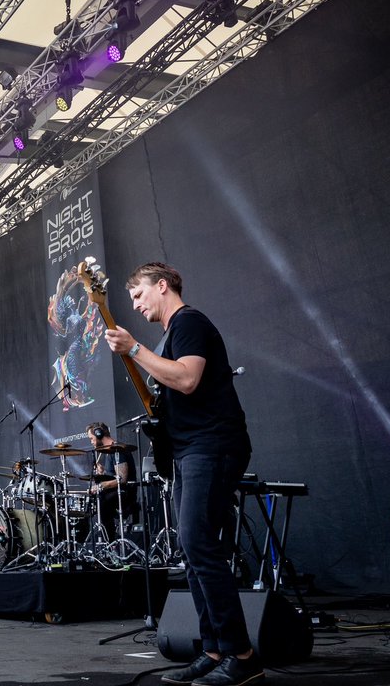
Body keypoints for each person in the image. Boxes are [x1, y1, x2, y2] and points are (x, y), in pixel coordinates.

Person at [104, 262, 258, 686]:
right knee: (191, 553)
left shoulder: (189, 322)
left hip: (214, 445)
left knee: (199, 545)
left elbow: (188, 380)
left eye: (138, 295)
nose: (135, 305)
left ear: (163, 285)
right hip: (190, 450)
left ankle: (242, 656)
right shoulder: (171, 335)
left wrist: (135, 350)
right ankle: (213, 651)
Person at [85, 422, 138, 541]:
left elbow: (122, 479)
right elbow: (114, 476)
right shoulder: (108, 451)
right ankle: (107, 541)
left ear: (99, 435)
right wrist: (103, 473)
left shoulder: (117, 449)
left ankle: (111, 542)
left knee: (102, 500)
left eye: (92, 439)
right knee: (96, 499)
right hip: (116, 491)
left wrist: (100, 486)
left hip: (125, 493)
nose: (91, 442)